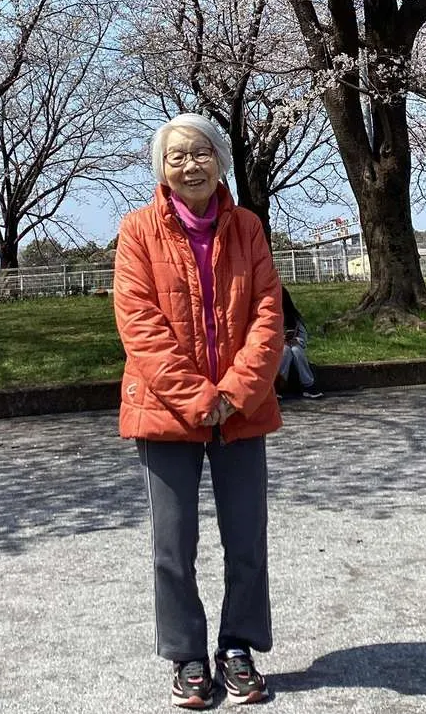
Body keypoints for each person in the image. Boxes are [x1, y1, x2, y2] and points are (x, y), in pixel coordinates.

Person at [113, 113, 283, 708]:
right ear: (161, 169)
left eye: (201, 152)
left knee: (247, 538)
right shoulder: (137, 231)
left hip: (242, 407)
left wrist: (234, 393)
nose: (190, 165)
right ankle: (187, 656)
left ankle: (238, 647)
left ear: (220, 160)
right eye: (177, 156)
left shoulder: (248, 228)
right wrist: (199, 398)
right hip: (166, 412)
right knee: (173, 543)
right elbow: (140, 325)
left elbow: (268, 313)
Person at [277, 285, 323, 399]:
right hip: (277, 348)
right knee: (285, 350)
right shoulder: (269, 316)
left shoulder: (293, 317)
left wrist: (296, 340)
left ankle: (309, 385)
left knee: (296, 350)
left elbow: (303, 336)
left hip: (293, 345)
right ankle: (278, 385)